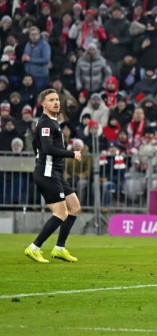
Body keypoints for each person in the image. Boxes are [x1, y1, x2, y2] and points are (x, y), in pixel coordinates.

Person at [25, 89, 83, 263]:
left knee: (74, 207)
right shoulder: (45, 123)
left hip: (55, 172)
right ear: (43, 104)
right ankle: (34, 248)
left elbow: (37, 145)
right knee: (61, 212)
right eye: (51, 100)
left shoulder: (52, 122)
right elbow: (48, 148)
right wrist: (72, 154)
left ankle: (59, 248)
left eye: (57, 99)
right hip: (47, 173)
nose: (56, 102)